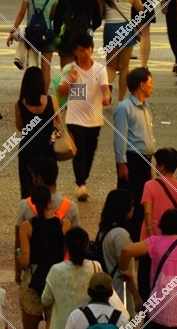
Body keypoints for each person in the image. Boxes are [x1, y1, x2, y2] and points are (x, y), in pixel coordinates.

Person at [18, 183, 73, 329]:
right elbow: (65, 252)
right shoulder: (64, 225)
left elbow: (24, 260)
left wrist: (18, 252)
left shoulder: (26, 227)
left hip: (32, 283)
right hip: (56, 282)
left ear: (32, 203)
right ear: (50, 201)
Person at [40, 227, 104, 329]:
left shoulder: (56, 270)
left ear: (66, 246)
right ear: (87, 245)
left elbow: (45, 300)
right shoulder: (96, 267)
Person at [57, 33, 111, 201]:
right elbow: (60, 91)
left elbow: (105, 88)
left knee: (90, 152)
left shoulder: (100, 69)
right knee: (79, 151)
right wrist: (71, 81)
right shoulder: (69, 69)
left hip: (94, 119)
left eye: (88, 49)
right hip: (74, 118)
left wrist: (106, 97)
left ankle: (83, 179)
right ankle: (80, 184)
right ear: (75, 51)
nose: (86, 53)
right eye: (81, 50)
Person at [113, 67, 156, 241]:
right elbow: (120, 137)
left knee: (142, 201)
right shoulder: (125, 108)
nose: (152, 86)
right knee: (129, 201)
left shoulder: (145, 108)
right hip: (132, 160)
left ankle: (137, 238)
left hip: (145, 160)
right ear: (141, 85)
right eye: (150, 82)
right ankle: (125, 238)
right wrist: (121, 163)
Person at [100, 0, 144, 102]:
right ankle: (121, 100)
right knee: (124, 67)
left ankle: (106, 92)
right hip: (126, 29)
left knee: (111, 66)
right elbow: (142, 9)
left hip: (110, 29)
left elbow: (101, 14)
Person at [8, 0, 59, 75]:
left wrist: (12, 31)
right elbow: (52, 17)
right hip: (47, 34)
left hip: (31, 33)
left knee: (32, 67)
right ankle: (44, 92)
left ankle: (33, 90)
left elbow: (21, 14)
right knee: (46, 69)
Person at [14, 66, 57, 199]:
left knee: (27, 190)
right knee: (49, 188)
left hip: (28, 150)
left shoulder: (20, 104)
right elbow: (58, 124)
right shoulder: (51, 100)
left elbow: (21, 127)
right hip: (47, 149)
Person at [53, 0, 102, 68]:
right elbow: (98, 21)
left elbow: (57, 20)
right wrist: (90, 29)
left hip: (67, 39)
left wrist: (58, 37)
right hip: (85, 39)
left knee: (67, 74)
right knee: (83, 74)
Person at [141, 148, 177, 240]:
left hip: (154, 233)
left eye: (157, 163)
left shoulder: (150, 185)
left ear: (162, 166)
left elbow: (147, 212)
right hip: (173, 237)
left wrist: (150, 234)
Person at [94, 189, 135, 304]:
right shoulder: (121, 234)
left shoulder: (104, 230)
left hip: (109, 290)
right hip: (120, 294)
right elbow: (124, 271)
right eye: (131, 205)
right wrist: (136, 296)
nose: (133, 208)